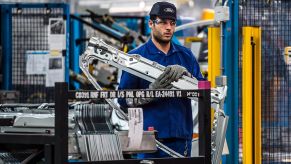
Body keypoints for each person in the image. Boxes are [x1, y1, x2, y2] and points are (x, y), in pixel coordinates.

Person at [118, 1, 204, 158]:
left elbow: (203, 92)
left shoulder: (186, 56)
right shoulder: (136, 58)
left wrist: (188, 78)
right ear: (151, 23)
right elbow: (123, 100)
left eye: (172, 23)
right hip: (149, 141)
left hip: (181, 138)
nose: (169, 28)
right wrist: (150, 93)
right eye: (163, 22)